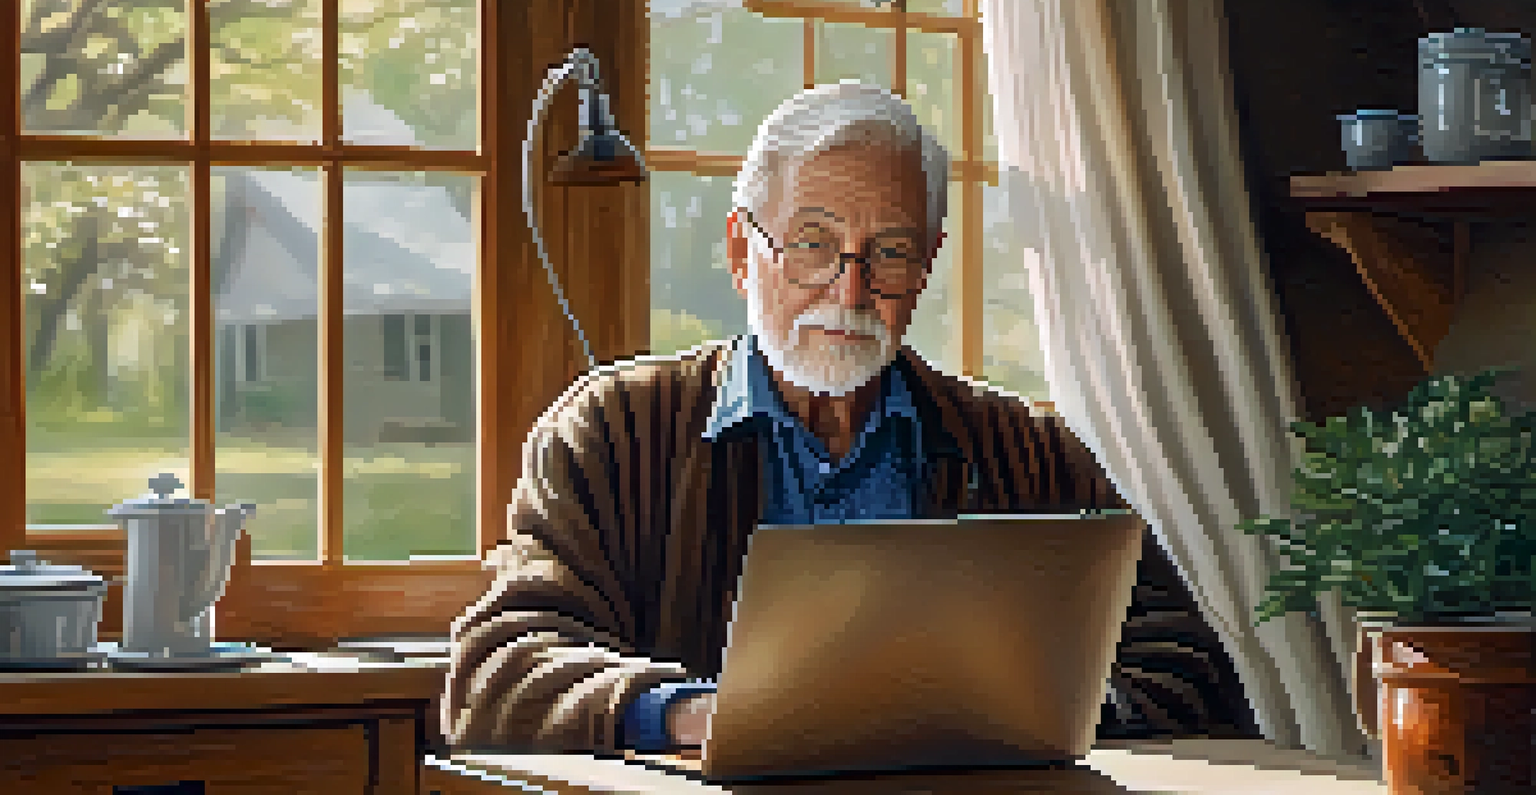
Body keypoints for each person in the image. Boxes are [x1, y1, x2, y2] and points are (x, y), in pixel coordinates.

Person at [441, 81, 1255, 754]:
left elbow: (1183, 663)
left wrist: (1035, 714)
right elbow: (497, 672)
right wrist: (698, 714)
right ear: (739, 251)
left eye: (890, 252)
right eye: (812, 244)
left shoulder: (1026, 450)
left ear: (927, 265)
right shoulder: (616, 431)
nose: (850, 291)